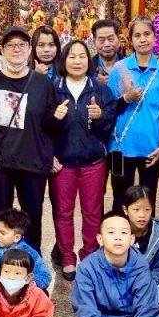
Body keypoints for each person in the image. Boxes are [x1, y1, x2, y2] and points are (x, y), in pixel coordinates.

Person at [0, 26, 63, 250]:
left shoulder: (42, 83)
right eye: (11, 45)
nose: (16, 49)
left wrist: (58, 117)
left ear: (30, 49)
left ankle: (32, 260)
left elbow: (49, 124)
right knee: (0, 217)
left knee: (33, 216)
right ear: (2, 50)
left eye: (21, 45)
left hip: (32, 161)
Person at [49, 40, 117, 281]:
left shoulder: (101, 90)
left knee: (92, 212)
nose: (77, 61)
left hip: (93, 162)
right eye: (72, 56)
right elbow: (42, 127)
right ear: (63, 60)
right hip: (62, 163)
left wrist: (100, 117)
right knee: (63, 212)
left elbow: (109, 127)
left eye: (82, 56)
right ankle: (67, 257)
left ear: (89, 61)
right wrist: (54, 121)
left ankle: (89, 255)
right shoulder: (53, 90)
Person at [107, 17, 159, 212]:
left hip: (151, 147)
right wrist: (127, 98)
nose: (143, 39)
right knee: (120, 198)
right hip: (119, 147)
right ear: (131, 40)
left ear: (155, 37)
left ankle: (146, 232)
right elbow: (110, 108)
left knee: (148, 198)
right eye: (137, 35)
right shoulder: (119, 69)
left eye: (147, 34)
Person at [0, 209, 52, 293]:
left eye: (3, 233)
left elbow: (44, 275)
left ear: (17, 237)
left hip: (21, 292)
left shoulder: (29, 252)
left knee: (43, 293)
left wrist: (22, 285)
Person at [91, 19, 122, 86]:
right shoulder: (87, 69)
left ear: (119, 40)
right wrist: (94, 85)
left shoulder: (130, 67)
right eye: (101, 40)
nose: (107, 44)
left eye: (111, 39)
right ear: (94, 43)